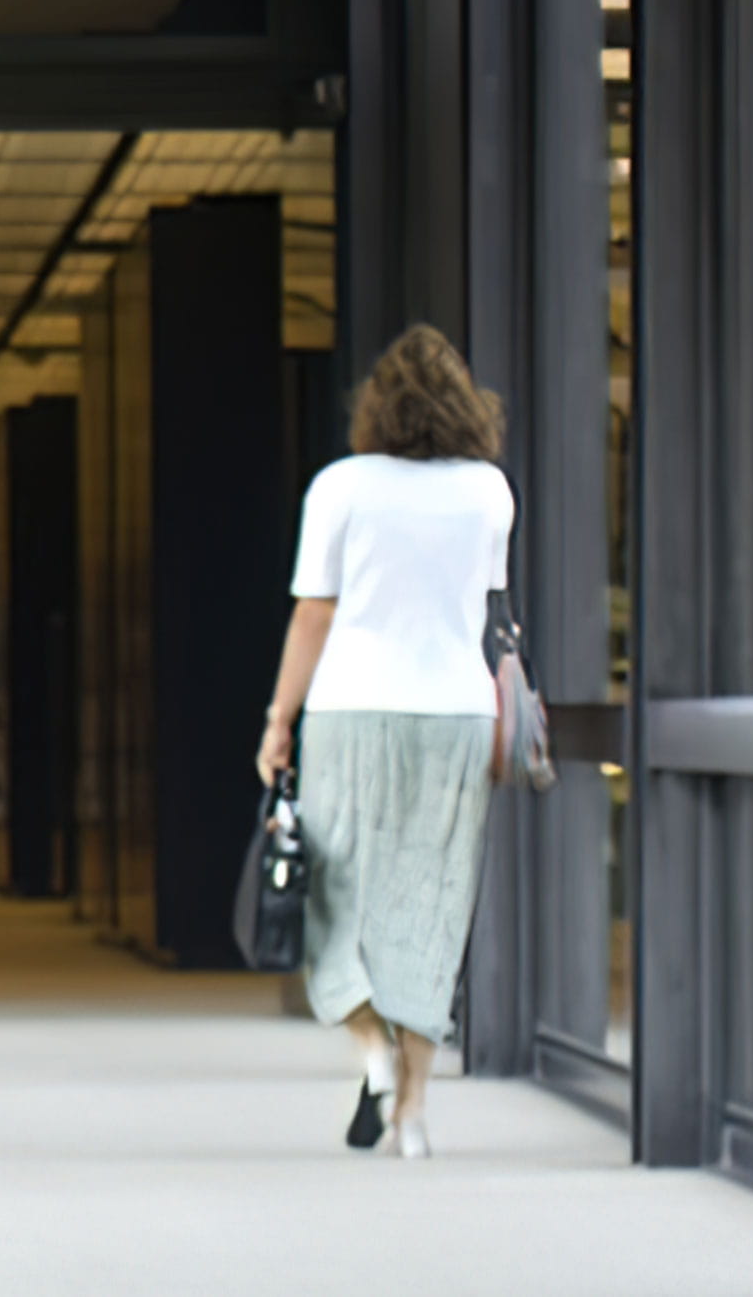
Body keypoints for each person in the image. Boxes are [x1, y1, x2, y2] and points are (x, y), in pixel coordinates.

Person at [255, 323, 517, 1162]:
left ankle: (372, 1053)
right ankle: (412, 1112)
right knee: (431, 907)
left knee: (336, 898)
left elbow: (314, 613)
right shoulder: (489, 490)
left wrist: (278, 718)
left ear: (376, 406)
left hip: (352, 708)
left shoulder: (341, 486)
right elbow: (489, 606)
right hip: (455, 712)